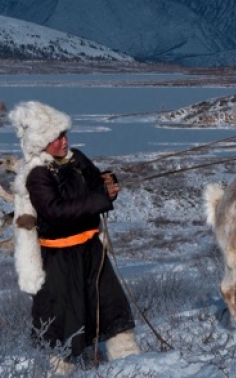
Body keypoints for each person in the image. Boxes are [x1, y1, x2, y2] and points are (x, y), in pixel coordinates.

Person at [8, 101, 140, 374]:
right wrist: (101, 198)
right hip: (59, 261)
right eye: (56, 138)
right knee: (63, 324)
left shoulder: (77, 159)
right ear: (40, 143)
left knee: (112, 309)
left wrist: (108, 182)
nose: (64, 141)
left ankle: (133, 368)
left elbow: (94, 183)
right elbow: (56, 213)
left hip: (91, 251)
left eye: (64, 134)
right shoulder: (37, 177)